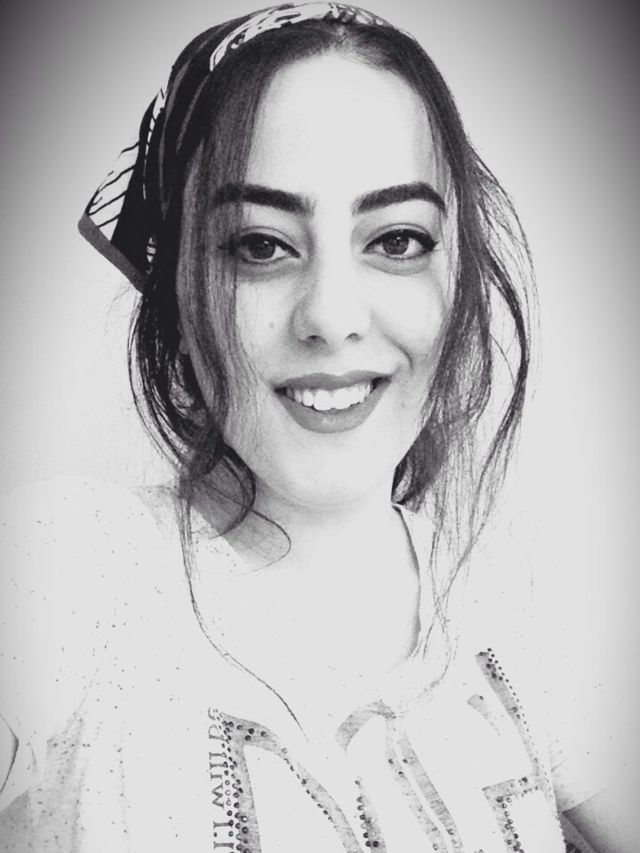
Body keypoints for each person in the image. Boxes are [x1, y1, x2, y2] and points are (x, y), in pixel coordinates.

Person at [0, 3, 628, 851]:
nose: (332, 316)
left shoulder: (516, 591)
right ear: (177, 294)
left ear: (459, 284)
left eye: (397, 240)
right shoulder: (68, 565)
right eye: (259, 246)